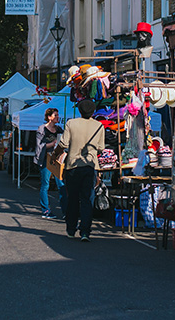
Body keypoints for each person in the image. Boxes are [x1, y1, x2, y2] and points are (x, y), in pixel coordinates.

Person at [60, 99, 105, 241]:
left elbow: (64, 143)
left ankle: (71, 229)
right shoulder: (99, 126)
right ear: (93, 111)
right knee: (87, 199)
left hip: (73, 165)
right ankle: (85, 231)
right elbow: (101, 148)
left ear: (79, 110)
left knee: (72, 198)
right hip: (90, 166)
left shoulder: (71, 123)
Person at [36, 107, 64, 219]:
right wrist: (51, 144)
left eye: (57, 115)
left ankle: (65, 210)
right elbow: (39, 146)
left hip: (57, 159)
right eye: (55, 115)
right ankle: (46, 210)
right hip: (46, 159)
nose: (57, 117)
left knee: (61, 185)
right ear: (49, 117)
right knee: (45, 184)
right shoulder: (42, 129)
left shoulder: (59, 129)